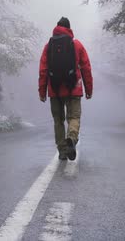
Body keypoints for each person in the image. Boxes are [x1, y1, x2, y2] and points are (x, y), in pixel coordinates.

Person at [39, 17, 93, 161]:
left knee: (58, 120)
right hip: (73, 88)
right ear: (69, 28)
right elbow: (86, 68)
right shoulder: (77, 45)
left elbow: (43, 70)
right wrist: (89, 89)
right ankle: (71, 138)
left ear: (56, 28)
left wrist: (42, 91)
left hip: (54, 89)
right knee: (74, 117)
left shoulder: (48, 46)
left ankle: (62, 151)